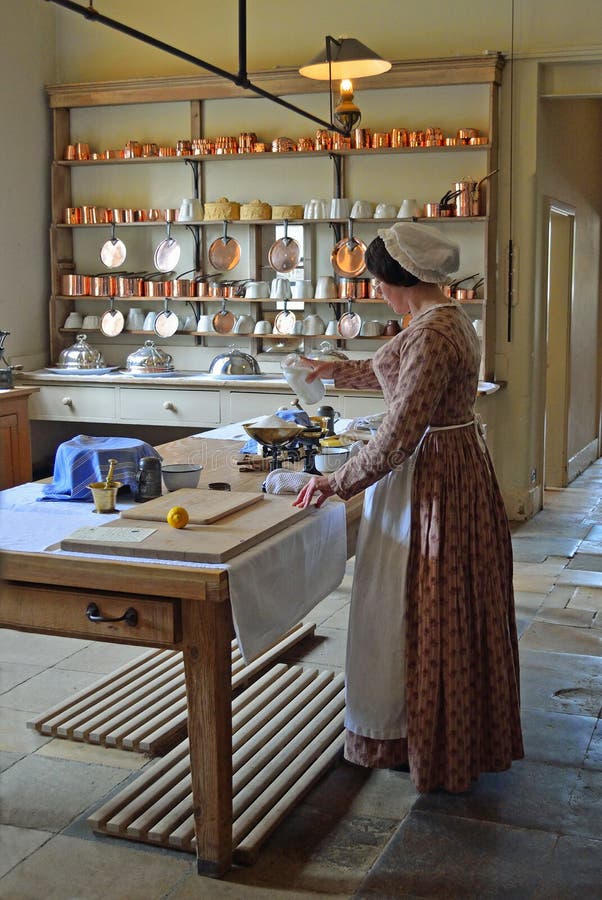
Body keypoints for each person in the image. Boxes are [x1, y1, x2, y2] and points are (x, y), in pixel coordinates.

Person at [294, 222, 524, 793]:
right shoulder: (443, 320)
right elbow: (397, 380)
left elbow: (400, 432)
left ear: (400, 280)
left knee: (420, 606)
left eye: (379, 281)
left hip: (433, 479)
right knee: (442, 603)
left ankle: (426, 738)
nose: (378, 292)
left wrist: (336, 481)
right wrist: (334, 370)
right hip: (451, 465)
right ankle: (432, 730)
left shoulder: (432, 333)